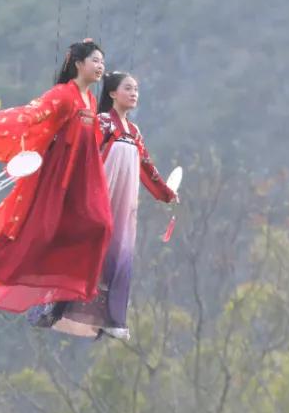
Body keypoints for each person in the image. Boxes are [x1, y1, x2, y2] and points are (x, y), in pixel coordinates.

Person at [0, 40, 113, 314]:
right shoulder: (63, 94)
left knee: (100, 224)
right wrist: (20, 131)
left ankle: (65, 280)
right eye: (95, 60)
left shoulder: (91, 100)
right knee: (38, 231)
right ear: (79, 64)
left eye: (102, 61)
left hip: (82, 178)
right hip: (58, 175)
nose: (100, 66)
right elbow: (35, 114)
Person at [28, 70, 178, 339]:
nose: (134, 94)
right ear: (112, 93)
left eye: (136, 90)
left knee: (120, 255)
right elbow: (82, 150)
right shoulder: (103, 123)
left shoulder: (133, 131)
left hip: (123, 204)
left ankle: (112, 318)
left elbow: (145, 166)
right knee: (87, 252)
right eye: (128, 89)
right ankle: (55, 306)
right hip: (99, 196)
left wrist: (165, 192)